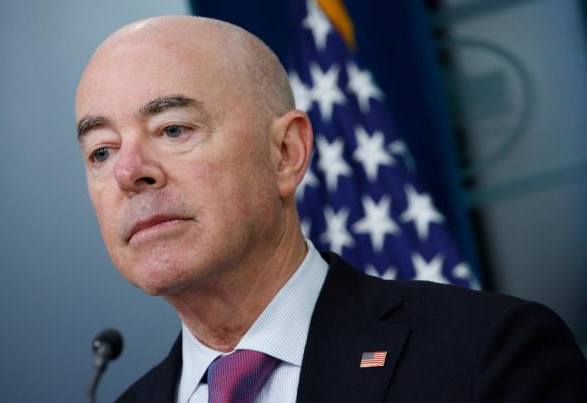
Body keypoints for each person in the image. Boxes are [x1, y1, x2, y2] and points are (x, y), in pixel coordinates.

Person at [75, 15, 587, 403]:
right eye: (101, 150)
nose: (128, 172)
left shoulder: (485, 354)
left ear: (286, 153)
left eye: (173, 130)